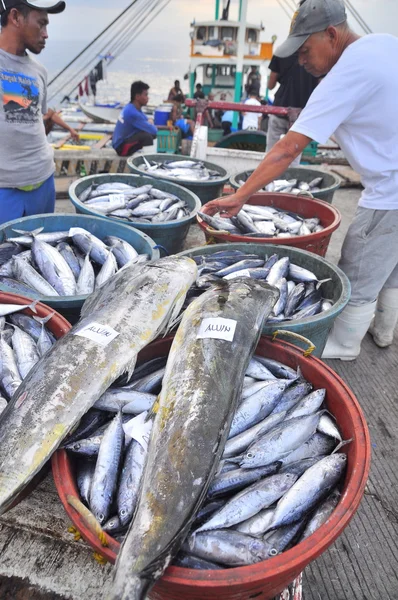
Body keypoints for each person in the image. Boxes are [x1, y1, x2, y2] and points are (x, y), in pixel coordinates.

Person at [205, 0, 398, 360]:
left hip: (391, 192)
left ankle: (344, 346)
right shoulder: (385, 43)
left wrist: (241, 196)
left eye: (305, 50)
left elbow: (287, 148)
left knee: (359, 264)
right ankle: (383, 331)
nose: (301, 60)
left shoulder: (344, 74)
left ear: (331, 34)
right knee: (390, 266)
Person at [0, 0, 65, 225]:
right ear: (16, 17)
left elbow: (31, 119)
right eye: (41, 24)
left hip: (44, 181)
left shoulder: (39, 71)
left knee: (40, 254)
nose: (46, 34)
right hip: (5, 189)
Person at [266, 52, 318, 166]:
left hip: (280, 107)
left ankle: (268, 181)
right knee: (294, 155)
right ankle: (291, 180)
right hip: (301, 113)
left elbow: (270, 85)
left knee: (271, 153)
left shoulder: (281, 53)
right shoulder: (317, 55)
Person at [112, 81, 157, 156]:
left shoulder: (132, 107)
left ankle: (142, 154)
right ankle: (147, 157)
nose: (147, 98)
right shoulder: (132, 113)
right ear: (137, 97)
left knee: (147, 132)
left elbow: (145, 119)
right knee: (147, 136)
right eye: (145, 95)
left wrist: (149, 122)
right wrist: (150, 122)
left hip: (122, 142)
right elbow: (154, 130)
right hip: (120, 148)